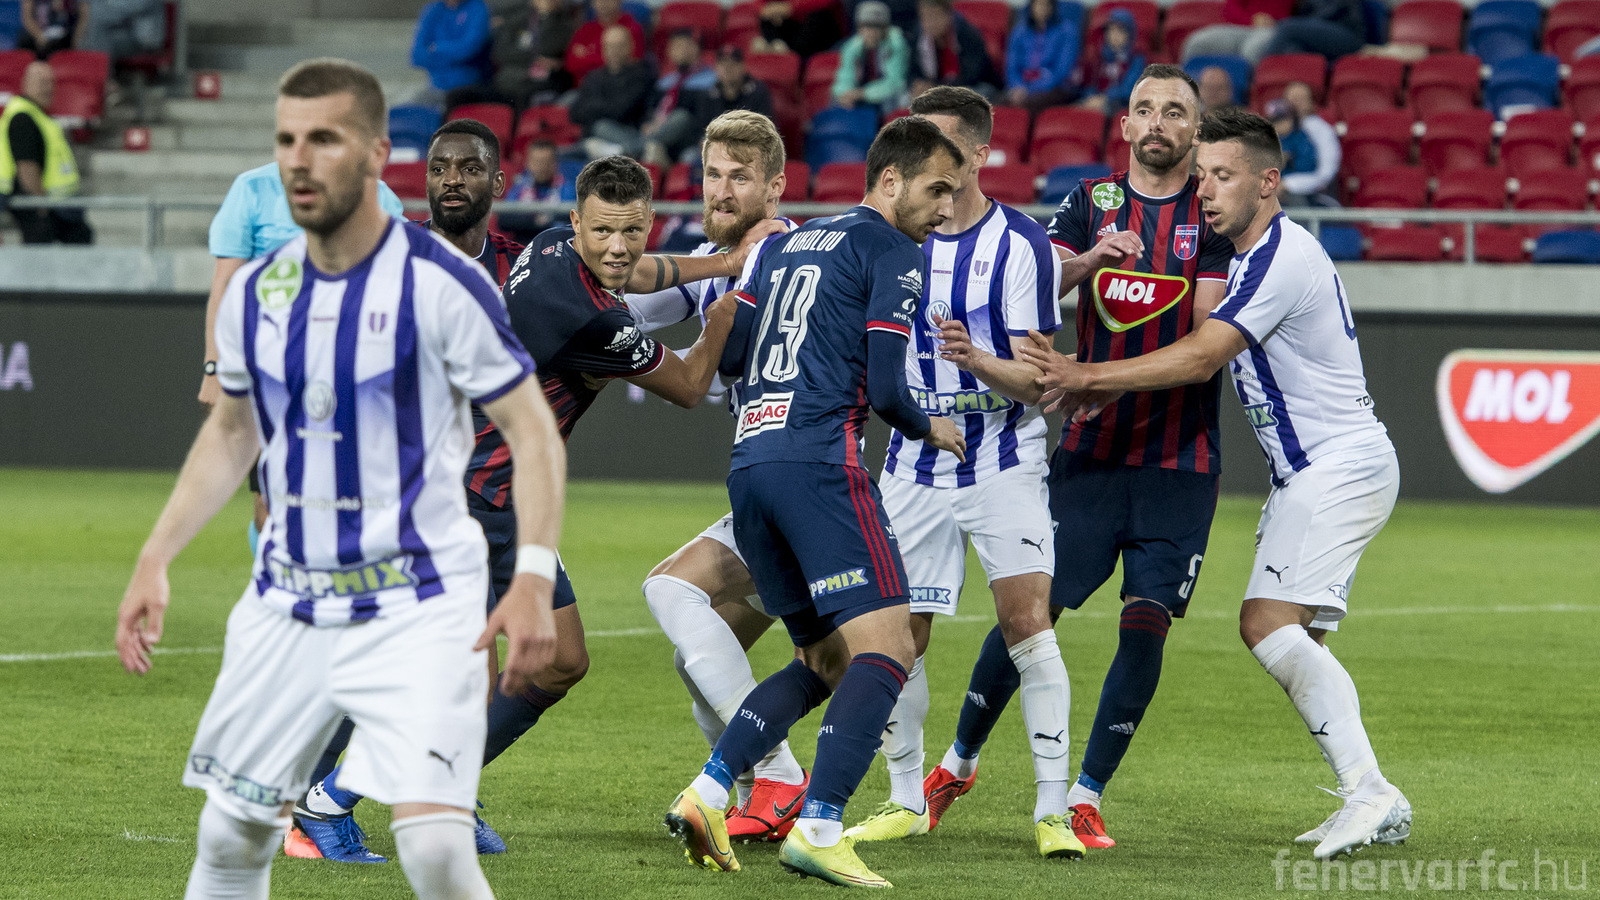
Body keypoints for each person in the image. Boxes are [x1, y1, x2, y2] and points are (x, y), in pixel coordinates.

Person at [113, 57, 568, 900]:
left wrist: (534, 577)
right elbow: (234, 429)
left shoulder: (444, 282)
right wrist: (155, 557)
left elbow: (532, 430)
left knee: (435, 849)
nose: (298, 158)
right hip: (288, 600)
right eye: (287, 139)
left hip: (420, 601)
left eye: (323, 138)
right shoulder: (259, 290)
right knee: (230, 837)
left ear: (376, 155)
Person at [1017, 106, 1412, 862]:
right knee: (1302, 640)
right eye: (1201, 176)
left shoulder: (1279, 257)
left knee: (1266, 623)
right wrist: (1106, 382)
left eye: (1223, 176)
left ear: (1269, 182)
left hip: (1337, 466)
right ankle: (1368, 791)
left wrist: (1088, 375)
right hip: (1318, 472)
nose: (1204, 191)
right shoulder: (1252, 256)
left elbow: (1201, 356)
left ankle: (1369, 790)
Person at [926, 65, 1235, 851]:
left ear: (1196, 132)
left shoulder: (1210, 215)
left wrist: (1095, 377)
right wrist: (1091, 258)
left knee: (1146, 625)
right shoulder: (1089, 202)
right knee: (1031, 613)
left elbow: (1206, 340)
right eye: (1144, 109)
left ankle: (1086, 796)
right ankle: (956, 765)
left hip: (1179, 461)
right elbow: (1037, 284)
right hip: (1090, 455)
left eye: (1175, 111)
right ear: (1123, 126)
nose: (1158, 122)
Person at [662, 115, 967, 888]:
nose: (946, 209)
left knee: (825, 658)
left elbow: (732, 355)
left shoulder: (781, 246)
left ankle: (707, 792)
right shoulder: (892, 251)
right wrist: (931, 427)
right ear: (890, 180)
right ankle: (822, 826)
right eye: (937, 190)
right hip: (821, 467)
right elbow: (889, 390)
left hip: (750, 467)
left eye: (956, 193)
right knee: (890, 650)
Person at [282, 117, 534, 862]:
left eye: (469, 167)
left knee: (554, 660)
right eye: (441, 167)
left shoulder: (521, 267)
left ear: (498, 181)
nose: (452, 179)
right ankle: (320, 801)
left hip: (500, 494)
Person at [838, 87, 1079, 861]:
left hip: (1002, 459)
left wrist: (976, 360)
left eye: (940, 145)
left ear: (978, 153)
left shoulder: (1022, 245)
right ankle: (906, 800)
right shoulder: (886, 239)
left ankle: (1053, 811)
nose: (926, 161)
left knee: (1027, 622)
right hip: (913, 463)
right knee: (897, 635)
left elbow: (1040, 380)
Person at [627, 110, 813, 844]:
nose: (723, 190)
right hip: (767, 486)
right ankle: (756, 794)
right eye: (712, 174)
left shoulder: (799, 254)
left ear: (776, 186)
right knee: (701, 658)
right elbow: (624, 300)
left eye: (741, 177)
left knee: (671, 588)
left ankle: (778, 775)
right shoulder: (713, 259)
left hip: (808, 482)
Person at [0, 62, 91, 244]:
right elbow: (27, 168)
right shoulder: (23, 117)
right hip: (39, 204)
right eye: (42, 82)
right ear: (26, 83)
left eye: (51, 82)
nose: (48, 88)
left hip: (55, 204)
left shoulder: (36, 114)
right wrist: (41, 205)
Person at [570, 25, 657, 160]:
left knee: (600, 126)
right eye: (609, 46)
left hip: (627, 131)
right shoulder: (594, 77)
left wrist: (593, 108)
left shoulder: (641, 75)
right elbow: (575, 112)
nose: (613, 51)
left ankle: (628, 151)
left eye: (619, 46)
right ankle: (619, 151)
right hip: (596, 137)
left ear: (630, 46)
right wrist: (603, 108)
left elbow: (621, 111)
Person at [643, 29, 717, 165]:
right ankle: (643, 144)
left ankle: (633, 147)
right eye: (675, 47)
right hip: (658, 136)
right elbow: (650, 110)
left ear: (696, 48)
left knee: (681, 116)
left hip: (688, 140)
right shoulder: (665, 82)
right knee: (603, 126)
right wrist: (647, 123)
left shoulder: (710, 79)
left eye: (685, 45)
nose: (680, 51)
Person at [487, 0, 579, 107]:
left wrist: (548, 16)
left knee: (526, 95)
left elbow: (546, 48)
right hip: (510, 76)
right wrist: (530, 54)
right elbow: (501, 52)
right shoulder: (517, 19)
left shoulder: (563, 23)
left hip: (544, 80)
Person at [909, 0, 1000, 99]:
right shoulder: (918, 37)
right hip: (935, 90)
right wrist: (918, 84)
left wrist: (936, 88)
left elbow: (973, 76)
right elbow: (913, 71)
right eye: (925, 17)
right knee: (905, 99)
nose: (930, 23)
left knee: (976, 96)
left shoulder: (968, 34)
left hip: (971, 86)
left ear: (948, 15)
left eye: (935, 16)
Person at [411, 0, 494, 105]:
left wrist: (437, 48)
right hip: (436, 86)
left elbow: (468, 49)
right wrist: (452, 55)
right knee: (412, 107)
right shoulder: (433, 10)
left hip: (467, 86)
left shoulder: (478, 8)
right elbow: (416, 56)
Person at [831, 1, 909, 113]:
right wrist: (845, 94)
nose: (872, 32)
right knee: (836, 99)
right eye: (867, 26)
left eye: (877, 27)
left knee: (896, 99)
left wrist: (863, 93)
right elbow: (844, 77)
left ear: (885, 29)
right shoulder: (852, 47)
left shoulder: (896, 44)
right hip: (859, 95)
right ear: (859, 28)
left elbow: (894, 83)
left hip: (883, 96)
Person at [1004, 0, 1081, 112]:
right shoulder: (1019, 31)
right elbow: (1011, 66)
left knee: (1029, 104)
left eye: (1045, 5)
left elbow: (1062, 70)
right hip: (1022, 86)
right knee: (995, 104)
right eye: (1038, 4)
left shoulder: (1067, 31)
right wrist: (1017, 86)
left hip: (1055, 87)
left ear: (1052, 7)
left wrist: (1030, 89)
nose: (1041, 9)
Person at [686, 47, 775, 142]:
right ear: (716, 68)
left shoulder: (758, 92)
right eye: (723, 64)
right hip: (715, 145)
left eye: (733, 64)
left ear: (743, 67)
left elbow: (765, 130)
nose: (727, 68)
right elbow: (701, 131)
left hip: (748, 145)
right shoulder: (708, 94)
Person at [1072, 8, 1143, 113]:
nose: (1114, 35)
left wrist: (1104, 98)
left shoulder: (1136, 59)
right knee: (1073, 110)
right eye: (1111, 30)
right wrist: (1090, 97)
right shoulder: (1099, 56)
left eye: (1120, 31)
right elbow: (1089, 83)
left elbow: (1129, 89)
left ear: (1129, 34)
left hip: (1119, 104)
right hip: (1095, 100)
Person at [1281, 81, 1340, 205]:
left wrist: (1289, 184)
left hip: (1311, 196)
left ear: (1311, 103)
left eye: (1301, 99)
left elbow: (1325, 175)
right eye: (1291, 99)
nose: (1295, 104)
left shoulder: (1321, 130)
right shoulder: (1275, 129)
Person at [1181, 0, 1291, 64]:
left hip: (1271, 30)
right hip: (1239, 27)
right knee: (1197, 42)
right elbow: (1231, 9)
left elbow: (1296, 20)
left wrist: (1276, 23)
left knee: (1252, 50)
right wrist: (1251, 20)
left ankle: (1244, 93)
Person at [566, 0, 646, 86]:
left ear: (619, 2)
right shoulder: (585, 30)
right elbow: (570, 64)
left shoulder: (632, 28)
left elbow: (631, 62)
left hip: (622, 85)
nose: (603, 3)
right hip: (586, 88)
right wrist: (608, 58)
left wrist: (587, 55)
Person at [497, 140, 564, 242]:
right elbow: (504, 220)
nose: (541, 167)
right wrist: (537, 222)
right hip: (524, 244)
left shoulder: (566, 187)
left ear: (555, 163)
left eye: (546, 162)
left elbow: (569, 220)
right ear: (527, 163)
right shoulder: (519, 187)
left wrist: (527, 221)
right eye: (536, 162)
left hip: (556, 244)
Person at [1261, 0, 1366, 62]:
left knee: (1288, 27)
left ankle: (1262, 72)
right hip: (1318, 35)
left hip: (1346, 33)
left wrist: (1281, 23)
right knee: (1294, 48)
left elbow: (1329, 14)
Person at [750, 0, 844, 59]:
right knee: (768, 17)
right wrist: (769, 10)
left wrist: (790, 8)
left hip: (826, 36)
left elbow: (827, 2)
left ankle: (790, 54)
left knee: (818, 16)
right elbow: (758, 4)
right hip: (794, 30)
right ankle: (774, 45)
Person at [81, 0, 164, 62]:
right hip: (132, 36)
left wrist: (99, 10)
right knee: (95, 36)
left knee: (100, 38)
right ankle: (92, 73)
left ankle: (102, 76)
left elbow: (125, 9)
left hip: (145, 42)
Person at [18, 0, 85, 58]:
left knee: (62, 42)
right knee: (26, 40)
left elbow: (78, 17)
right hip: (37, 34)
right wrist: (39, 36)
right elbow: (27, 18)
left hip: (59, 34)